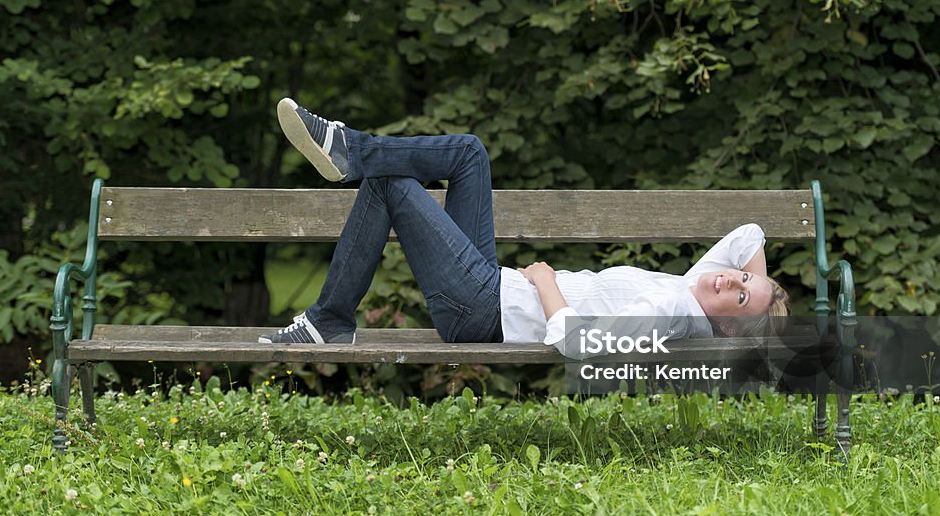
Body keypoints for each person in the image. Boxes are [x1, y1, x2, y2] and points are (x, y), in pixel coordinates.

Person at [259, 98, 790, 358]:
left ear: (725, 328)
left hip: (484, 309)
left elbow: (576, 342)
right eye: (742, 280)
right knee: (468, 153)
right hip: (492, 286)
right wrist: (756, 296)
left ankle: (331, 312)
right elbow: (749, 234)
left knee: (389, 185)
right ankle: (351, 154)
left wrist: (544, 281)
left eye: (740, 297)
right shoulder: (692, 290)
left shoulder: (667, 312)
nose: (732, 280)